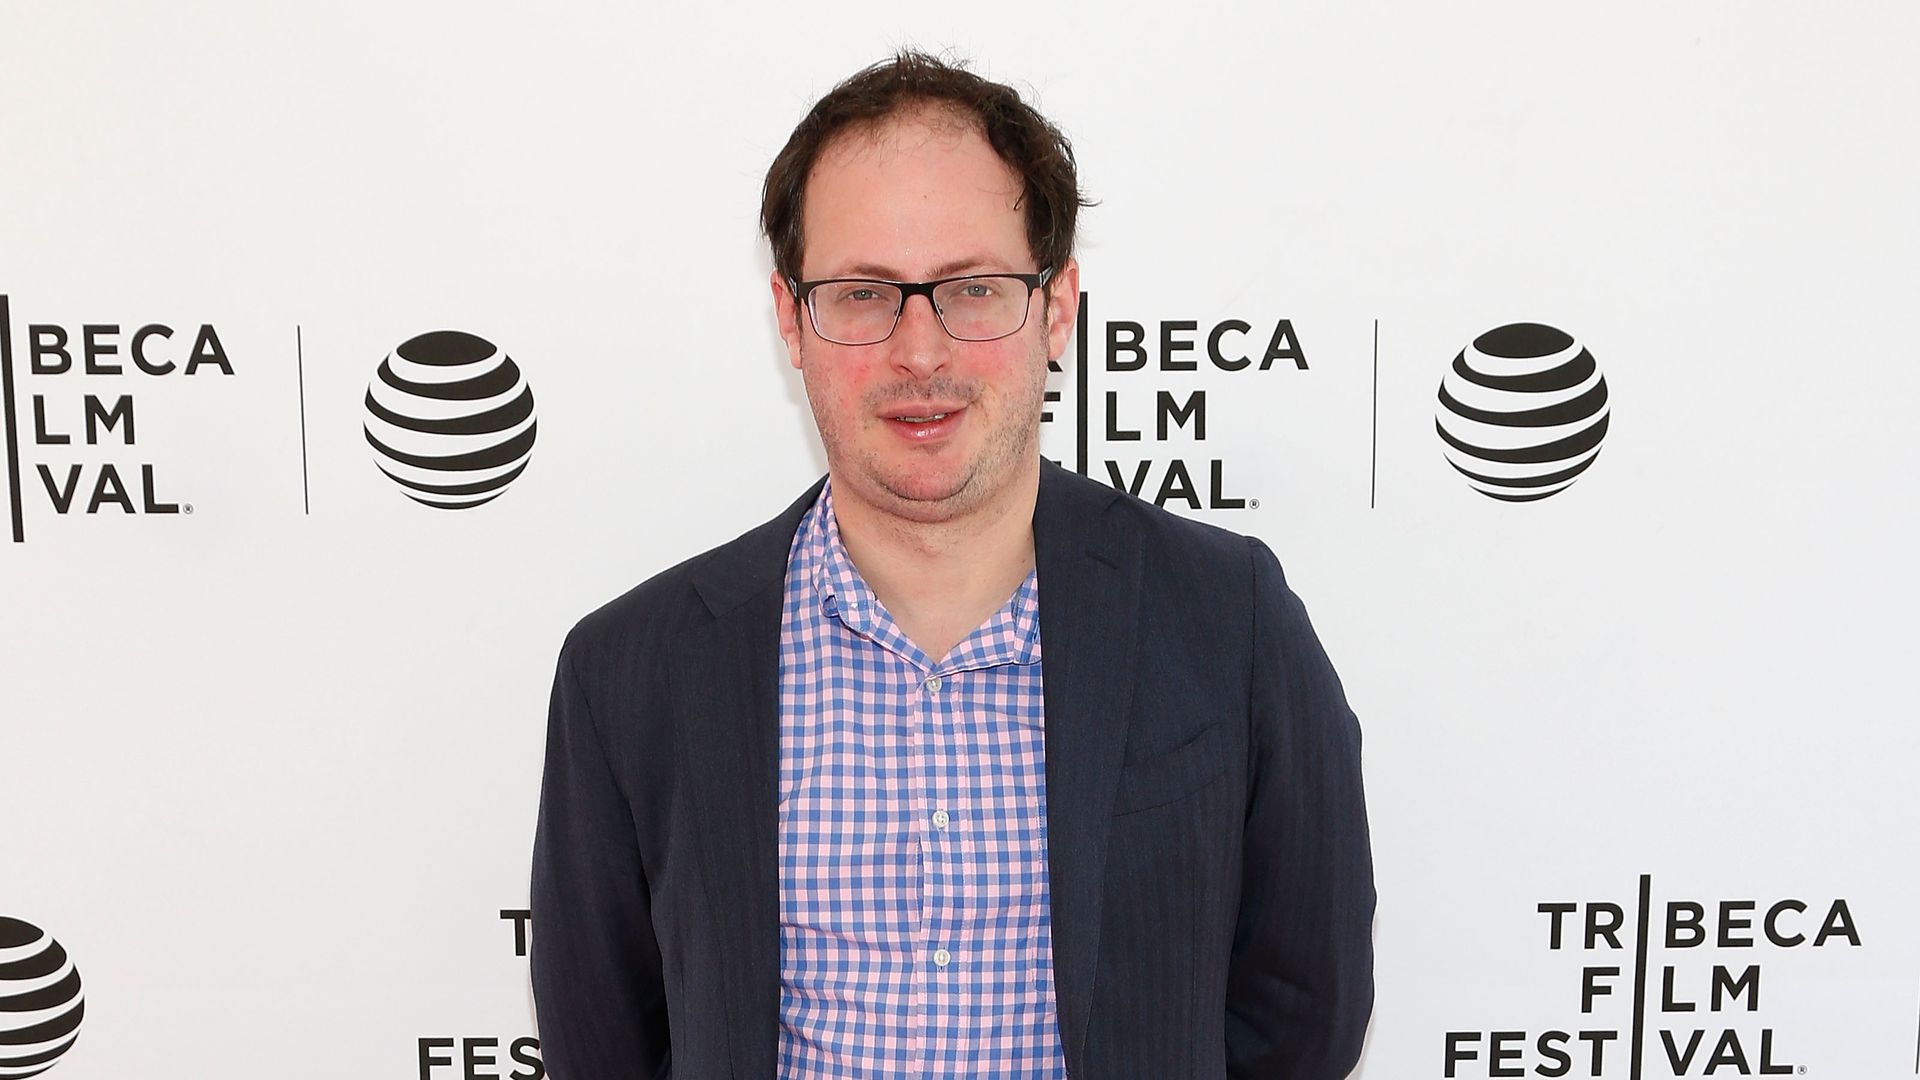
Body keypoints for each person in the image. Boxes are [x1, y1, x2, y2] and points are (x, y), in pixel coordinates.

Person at [530, 51, 1375, 1079]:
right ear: (792, 319)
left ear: (1058, 306)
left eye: (973, 290)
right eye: (862, 294)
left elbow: (1302, 1011)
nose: (920, 353)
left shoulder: (1230, 622)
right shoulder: (633, 672)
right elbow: (606, 1040)